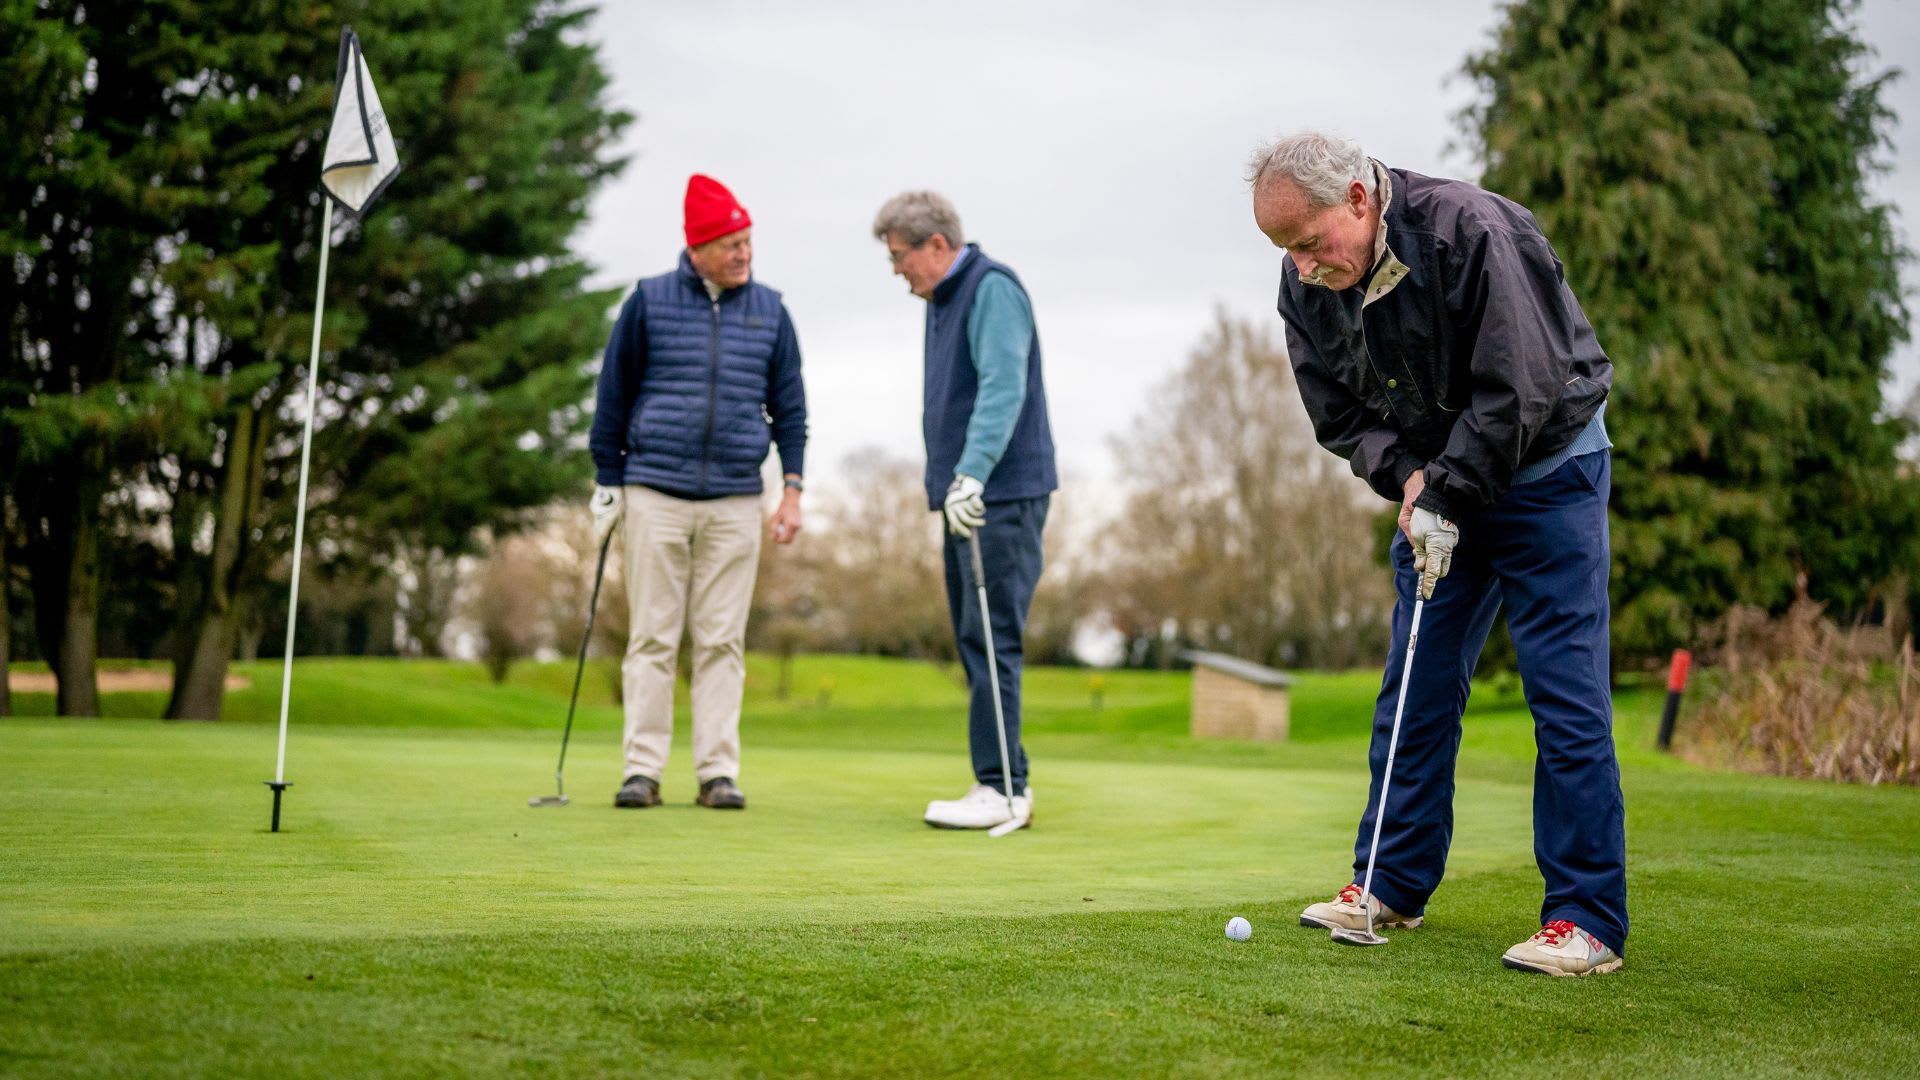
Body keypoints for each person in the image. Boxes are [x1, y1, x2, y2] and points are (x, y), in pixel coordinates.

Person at [1248, 132, 1625, 976]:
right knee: (1414, 685)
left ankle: (1586, 919)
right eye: (1286, 253)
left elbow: (1522, 382)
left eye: (1310, 244)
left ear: (1356, 198)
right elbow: (1338, 413)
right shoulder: (1306, 281)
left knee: (1564, 696)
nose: (1304, 268)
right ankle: (1388, 882)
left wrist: (1445, 488)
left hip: (1549, 473)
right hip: (1439, 489)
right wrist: (1413, 479)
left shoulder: (1469, 230)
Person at [587, 174, 807, 811]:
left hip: (737, 497)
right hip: (655, 491)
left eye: (748, 241)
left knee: (721, 640)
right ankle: (643, 771)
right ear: (699, 247)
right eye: (732, 243)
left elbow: (790, 409)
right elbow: (613, 396)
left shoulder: (771, 310)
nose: (744, 253)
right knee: (653, 637)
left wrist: (791, 489)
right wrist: (607, 480)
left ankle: (717, 772)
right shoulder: (649, 302)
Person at [872, 191, 1056, 831]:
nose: (898, 270)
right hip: (969, 494)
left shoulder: (991, 289)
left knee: (991, 634)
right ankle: (996, 780)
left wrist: (973, 472)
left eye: (901, 257)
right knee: (974, 637)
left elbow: (1004, 385)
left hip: (998, 493)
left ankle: (1006, 789)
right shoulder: (942, 299)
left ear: (938, 246)